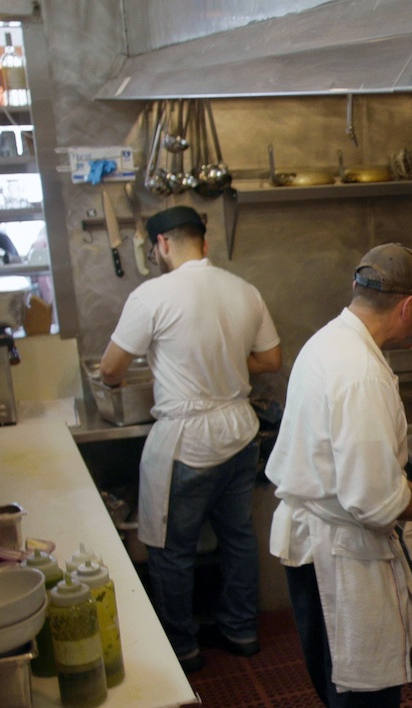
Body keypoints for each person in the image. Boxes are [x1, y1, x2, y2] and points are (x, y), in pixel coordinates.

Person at [265, 243, 412, 708]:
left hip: (311, 536)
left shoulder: (329, 340)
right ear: (410, 307)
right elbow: (371, 496)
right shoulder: (362, 371)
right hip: (340, 546)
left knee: (339, 670)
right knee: (365, 680)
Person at [100, 205, 281, 673]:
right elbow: (271, 359)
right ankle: (241, 631)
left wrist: (126, 380)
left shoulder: (152, 295)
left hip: (187, 443)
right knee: (238, 538)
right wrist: (225, 364)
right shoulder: (243, 290)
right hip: (241, 434)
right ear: (204, 242)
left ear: (161, 245)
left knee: (171, 550)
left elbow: (109, 369)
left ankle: (182, 648)